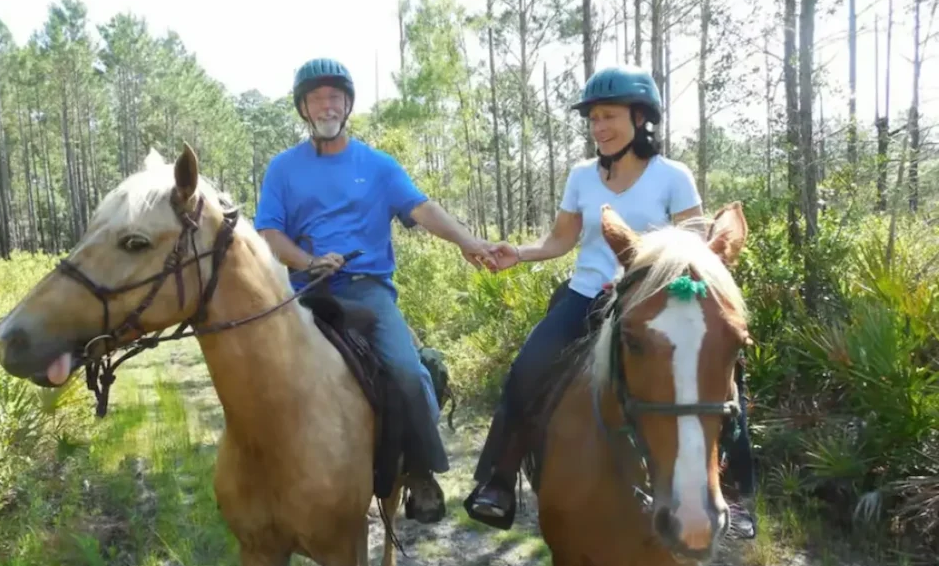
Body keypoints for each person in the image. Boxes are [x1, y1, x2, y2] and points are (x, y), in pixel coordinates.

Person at [464, 64, 757, 538]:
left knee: (725, 377)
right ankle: (499, 478)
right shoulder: (582, 176)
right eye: (593, 118)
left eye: (609, 116)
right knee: (527, 368)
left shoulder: (673, 176)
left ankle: (736, 491)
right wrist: (519, 253)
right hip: (587, 296)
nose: (598, 127)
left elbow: (695, 250)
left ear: (640, 118)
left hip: (655, 304)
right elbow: (561, 239)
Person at [255, 57, 497, 524]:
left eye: (334, 97)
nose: (326, 106)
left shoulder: (378, 166)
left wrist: (469, 241)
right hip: (303, 291)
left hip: (367, 289)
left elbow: (422, 209)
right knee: (258, 371)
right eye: (316, 99)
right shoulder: (283, 169)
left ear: (347, 105)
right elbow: (269, 234)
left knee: (406, 371)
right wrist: (307, 261)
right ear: (303, 108)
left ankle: (421, 469)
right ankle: (262, 472)